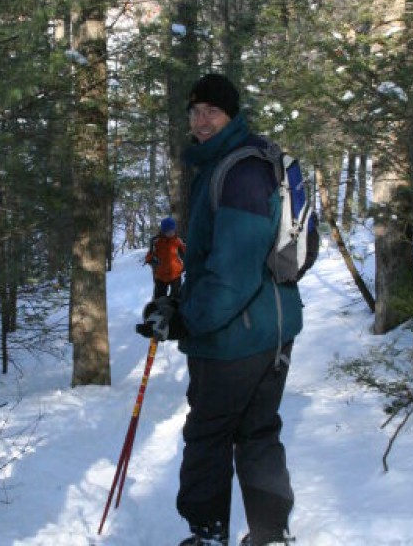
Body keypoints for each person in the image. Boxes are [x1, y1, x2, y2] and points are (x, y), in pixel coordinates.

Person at [136, 73, 303, 546]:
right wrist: (178, 305)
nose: (202, 121)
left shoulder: (240, 173)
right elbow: (218, 260)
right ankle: (270, 534)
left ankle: (209, 536)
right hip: (267, 327)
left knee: (209, 435)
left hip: (238, 336)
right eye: (195, 112)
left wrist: (189, 318)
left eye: (212, 111)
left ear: (232, 115)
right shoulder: (231, 165)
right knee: (257, 432)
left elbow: (232, 271)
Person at [145, 216, 186, 299]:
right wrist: (151, 261)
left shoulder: (178, 241)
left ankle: (174, 310)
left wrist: (185, 265)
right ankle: (160, 309)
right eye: (168, 231)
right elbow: (150, 255)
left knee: (176, 298)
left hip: (175, 274)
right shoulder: (156, 242)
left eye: (172, 230)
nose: (171, 233)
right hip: (161, 275)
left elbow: (186, 253)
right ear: (163, 231)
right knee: (159, 298)